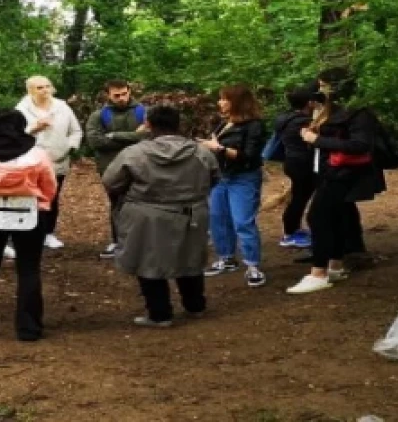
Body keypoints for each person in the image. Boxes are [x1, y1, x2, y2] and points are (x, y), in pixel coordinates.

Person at [103, 105, 218, 327]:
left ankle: (160, 313)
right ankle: (195, 306)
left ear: (148, 125)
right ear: (179, 124)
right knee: (189, 257)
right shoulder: (201, 152)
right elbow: (213, 177)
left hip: (148, 215)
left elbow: (111, 181)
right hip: (191, 213)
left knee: (149, 261)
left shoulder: (134, 153)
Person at [287, 68, 387, 294]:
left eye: (323, 85)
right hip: (329, 172)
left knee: (317, 216)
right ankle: (335, 265)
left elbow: (360, 145)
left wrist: (317, 139)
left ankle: (318, 273)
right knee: (337, 216)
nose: (319, 89)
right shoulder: (333, 110)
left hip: (344, 174)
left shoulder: (359, 113)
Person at [0, 109, 59, 342]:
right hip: (27, 213)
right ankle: (28, 328)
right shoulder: (36, 154)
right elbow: (49, 184)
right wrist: (43, 204)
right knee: (28, 269)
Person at [200, 84, 268, 288]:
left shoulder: (254, 126)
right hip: (221, 177)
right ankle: (226, 258)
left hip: (244, 178)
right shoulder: (223, 123)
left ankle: (253, 266)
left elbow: (249, 156)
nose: (220, 102)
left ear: (237, 102)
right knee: (217, 218)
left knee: (242, 221)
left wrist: (218, 148)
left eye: (224, 99)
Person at [16, 76, 82, 252]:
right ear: (30, 90)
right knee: (30, 196)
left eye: (48, 86)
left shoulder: (62, 107)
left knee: (52, 197)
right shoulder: (21, 109)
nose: (45, 90)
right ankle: (28, 232)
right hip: (30, 161)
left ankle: (48, 233)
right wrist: (34, 129)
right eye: (39, 87)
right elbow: (15, 134)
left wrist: (69, 146)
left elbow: (76, 131)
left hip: (57, 160)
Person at [84, 79, 149, 259]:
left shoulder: (145, 112)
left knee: (144, 203)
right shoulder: (98, 115)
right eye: (116, 95)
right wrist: (135, 135)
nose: (121, 98)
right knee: (117, 204)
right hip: (111, 167)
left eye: (124, 93)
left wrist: (115, 135)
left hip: (143, 164)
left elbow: (150, 136)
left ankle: (142, 243)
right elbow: (95, 141)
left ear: (129, 91)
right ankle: (118, 241)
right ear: (108, 95)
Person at [275, 86, 316, 249]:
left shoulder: (285, 119)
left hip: (291, 162)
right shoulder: (303, 121)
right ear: (309, 103)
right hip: (302, 164)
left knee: (298, 197)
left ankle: (293, 230)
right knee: (299, 198)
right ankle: (290, 233)